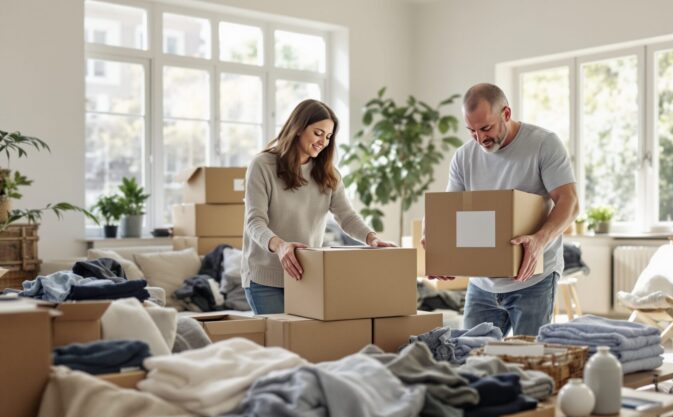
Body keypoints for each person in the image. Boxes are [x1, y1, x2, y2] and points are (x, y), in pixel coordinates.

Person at [424, 83, 578, 336]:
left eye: (486, 128)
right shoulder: (464, 157)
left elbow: (569, 202)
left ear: (506, 114)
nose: (480, 138)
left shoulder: (543, 144)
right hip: (482, 283)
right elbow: (446, 210)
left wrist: (540, 240)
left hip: (533, 278)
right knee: (470, 359)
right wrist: (436, 243)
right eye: (471, 131)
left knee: (529, 363)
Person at [241, 99, 394, 314]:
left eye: (329, 137)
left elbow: (346, 216)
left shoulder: (328, 173)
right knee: (279, 345)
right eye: (318, 133)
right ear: (298, 128)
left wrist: (372, 238)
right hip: (265, 278)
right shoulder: (263, 165)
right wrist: (281, 246)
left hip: (307, 275)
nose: (323, 141)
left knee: (305, 345)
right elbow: (254, 221)